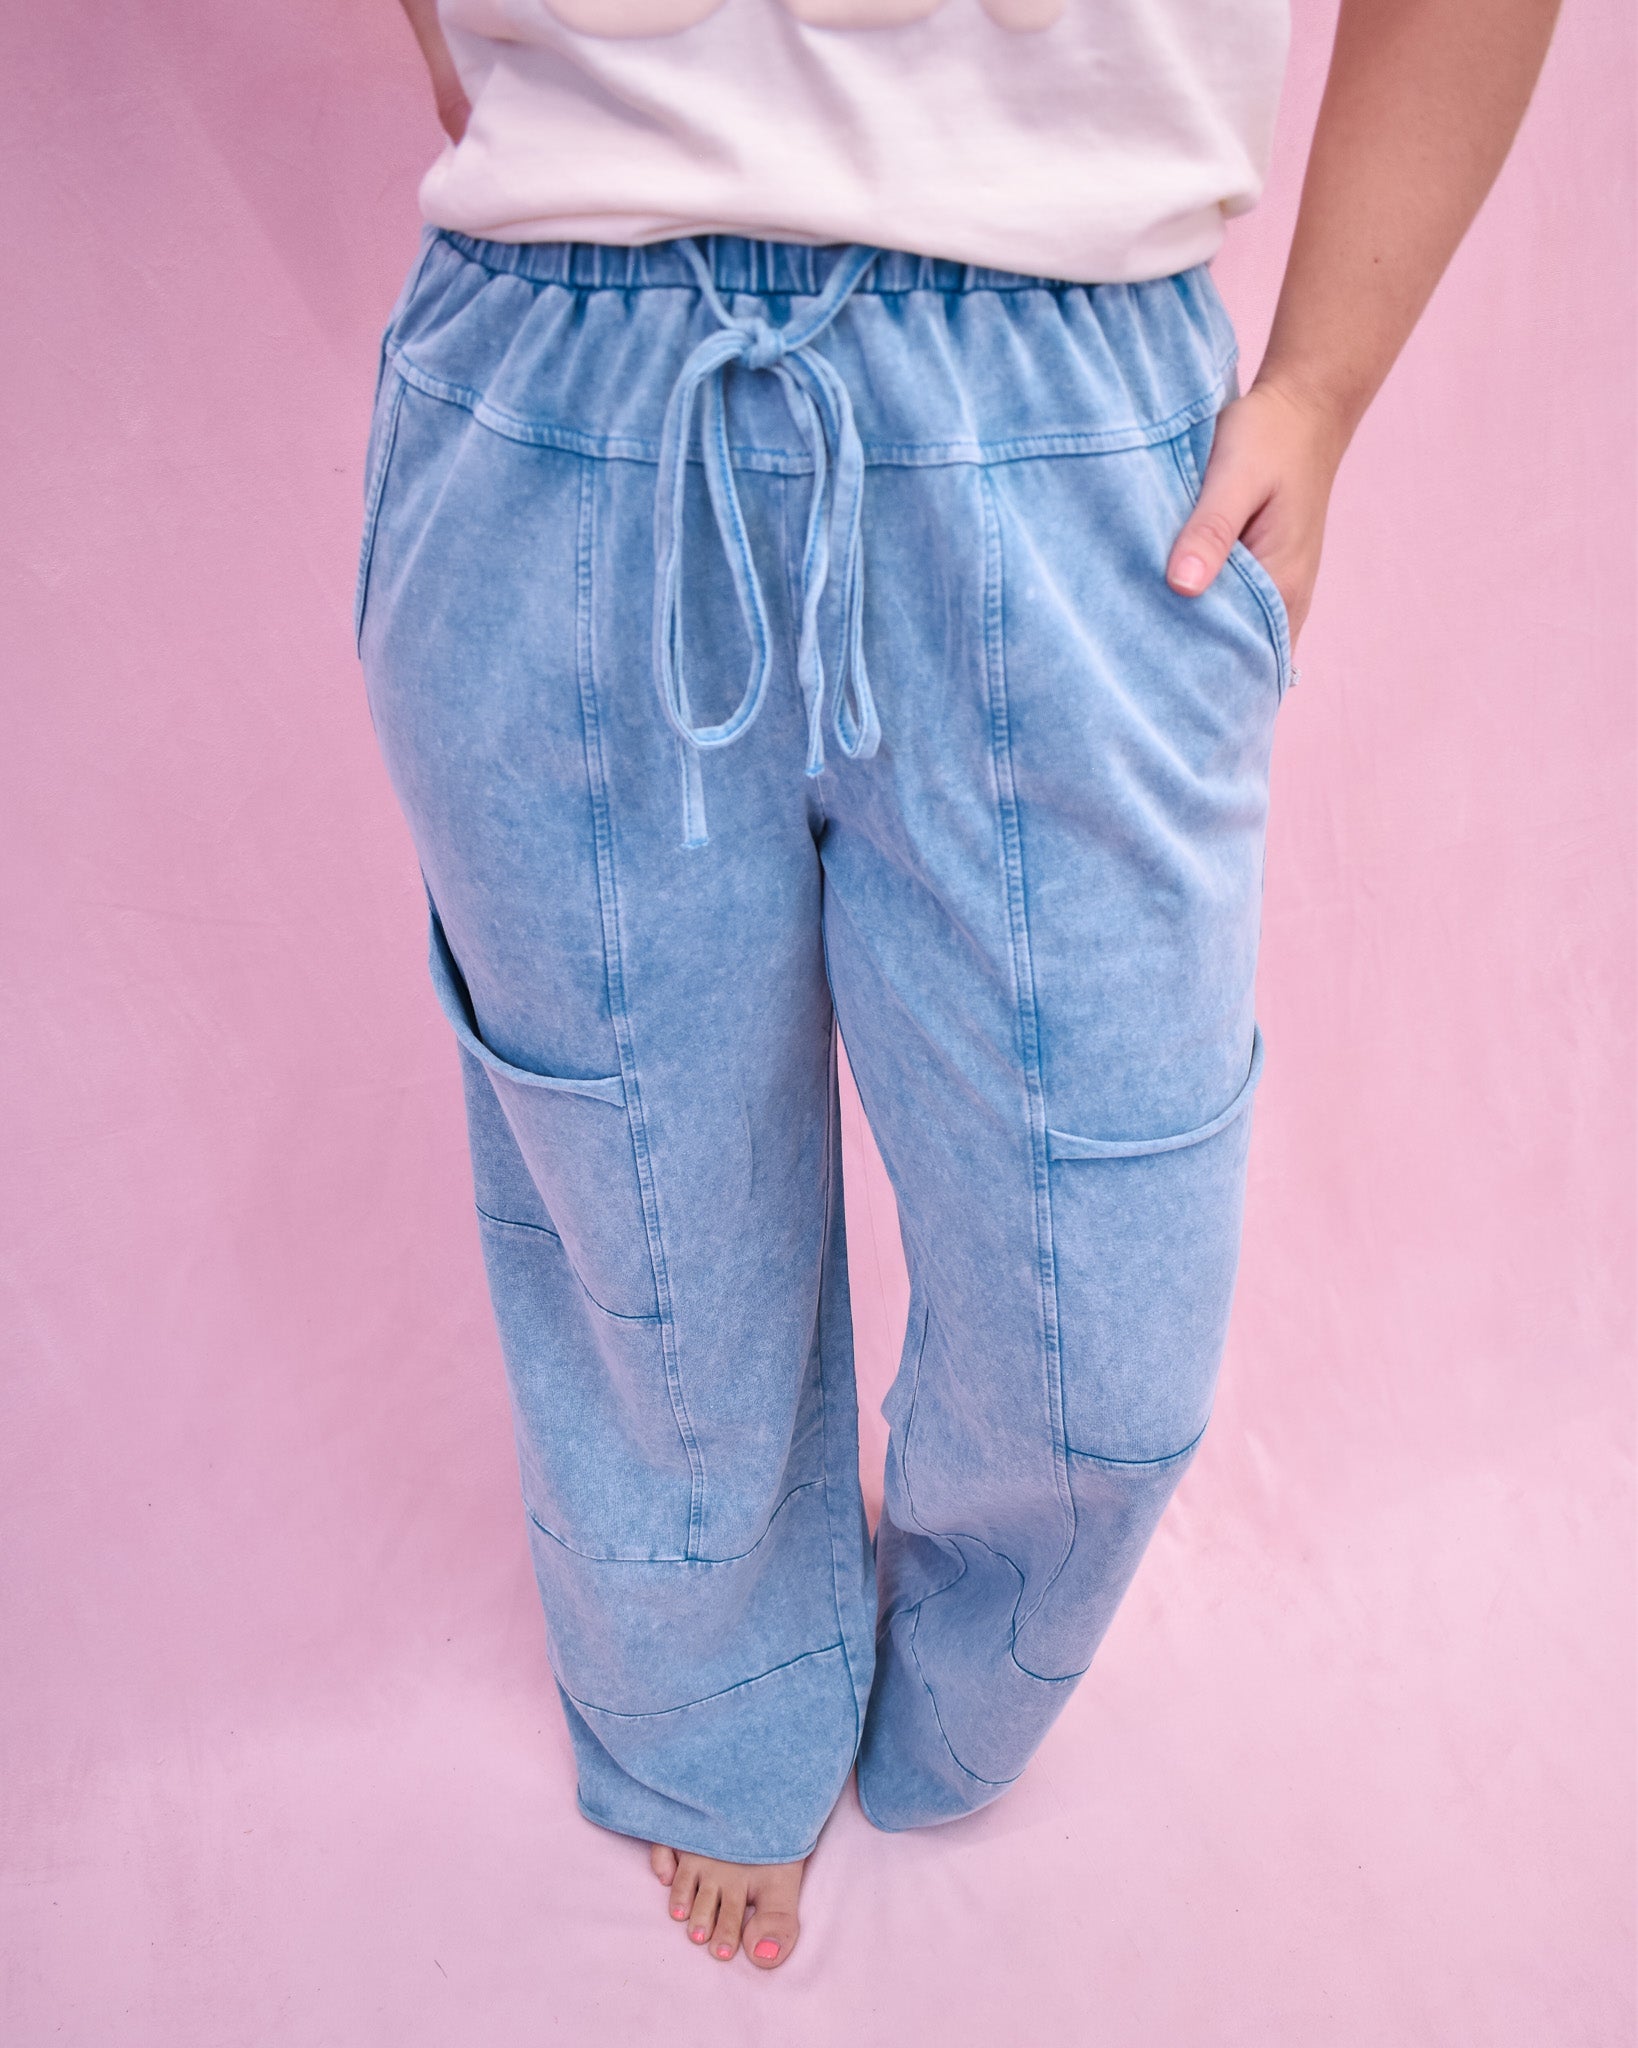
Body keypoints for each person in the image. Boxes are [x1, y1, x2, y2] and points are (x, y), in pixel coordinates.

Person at [359, 0, 1558, 1972]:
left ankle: (964, 1652)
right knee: (642, 1213)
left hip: (1074, 415)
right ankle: (708, 1702)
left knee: (1107, 1300)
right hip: (558, 375)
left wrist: (1324, 384)